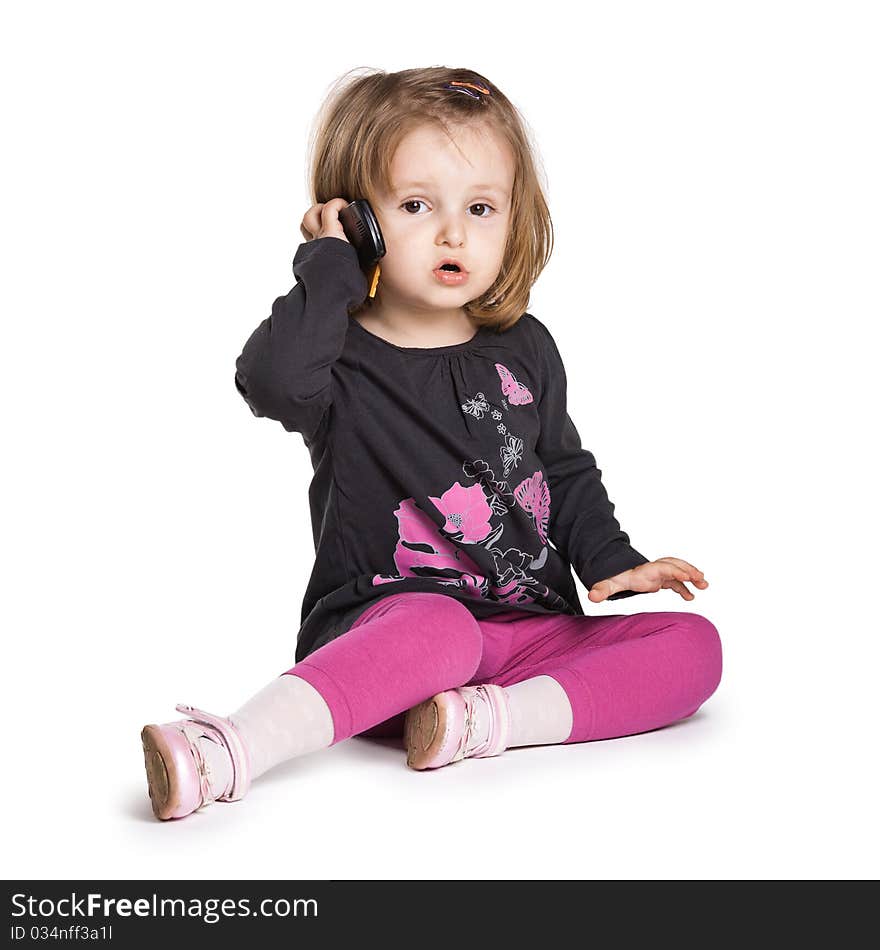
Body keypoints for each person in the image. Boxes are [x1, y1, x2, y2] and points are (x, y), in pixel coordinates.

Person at [140, 66, 722, 821]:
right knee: (439, 628)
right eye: (416, 206)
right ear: (359, 220)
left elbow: (564, 469)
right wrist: (329, 265)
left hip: (525, 638)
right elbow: (270, 381)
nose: (453, 233)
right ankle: (229, 749)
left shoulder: (525, 346)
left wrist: (615, 563)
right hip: (393, 640)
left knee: (693, 644)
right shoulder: (335, 358)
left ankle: (484, 724)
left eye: (481, 208)